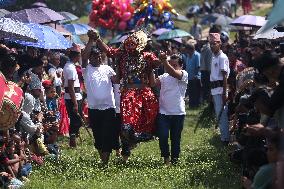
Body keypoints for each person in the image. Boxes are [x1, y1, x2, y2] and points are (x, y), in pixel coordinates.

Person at [83, 27, 162, 162]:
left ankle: (135, 143)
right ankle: (126, 150)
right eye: (129, 41)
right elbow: (109, 52)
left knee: (148, 123)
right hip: (128, 94)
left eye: (134, 41)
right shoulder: (122, 56)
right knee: (126, 126)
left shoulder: (147, 56)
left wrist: (161, 58)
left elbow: (157, 64)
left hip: (145, 94)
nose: (131, 43)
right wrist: (97, 39)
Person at [81, 47, 118, 165]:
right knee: (98, 135)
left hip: (108, 108)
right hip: (94, 108)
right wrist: (91, 41)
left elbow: (116, 79)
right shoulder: (86, 69)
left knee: (107, 134)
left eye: (99, 56)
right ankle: (103, 158)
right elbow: (84, 56)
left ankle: (105, 162)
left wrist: (120, 66)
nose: (98, 58)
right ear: (90, 58)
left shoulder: (107, 68)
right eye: (95, 56)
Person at [150, 54, 188, 165]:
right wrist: (151, 68)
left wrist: (164, 61)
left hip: (178, 113)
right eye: (170, 64)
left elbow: (173, 72)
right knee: (162, 136)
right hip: (163, 112)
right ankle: (166, 158)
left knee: (175, 139)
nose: (171, 67)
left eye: (174, 65)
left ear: (181, 66)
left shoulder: (183, 74)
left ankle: (175, 161)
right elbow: (152, 83)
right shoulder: (164, 76)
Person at [209, 33, 230, 145]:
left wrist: (224, 93)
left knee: (222, 115)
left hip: (221, 90)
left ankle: (225, 140)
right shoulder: (213, 57)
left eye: (214, 43)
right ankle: (224, 137)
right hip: (215, 90)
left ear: (219, 43)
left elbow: (225, 76)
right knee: (219, 114)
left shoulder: (222, 57)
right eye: (210, 44)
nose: (212, 46)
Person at [63, 46, 83, 148]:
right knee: (76, 120)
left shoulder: (69, 66)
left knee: (77, 119)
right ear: (77, 56)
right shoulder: (70, 68)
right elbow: (70, 87)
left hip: (75, 95)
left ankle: (74, 139)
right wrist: (75, 103)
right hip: (73, 97)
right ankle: (72, 142)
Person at [182, 41, 201, 108]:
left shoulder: (197, 55)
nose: (186, 51)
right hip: (189, 77)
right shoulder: (188, 56)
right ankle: (191, 105)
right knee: (191, 92)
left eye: (187, 49)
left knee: (195, 93)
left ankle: (196, 105)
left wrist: (195, 75)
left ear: (190, 49)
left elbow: (198, 67)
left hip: (195, 78)